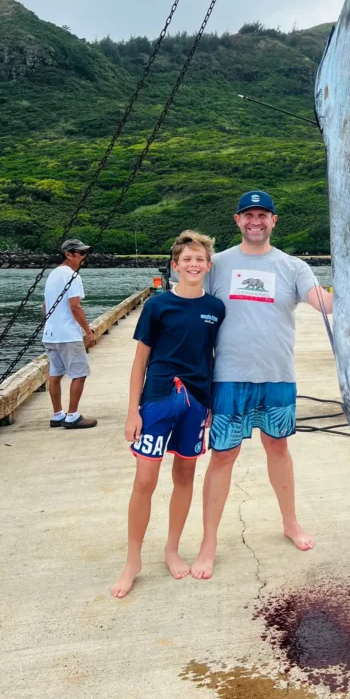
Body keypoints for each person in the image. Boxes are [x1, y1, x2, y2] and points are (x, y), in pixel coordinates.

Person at [191, 190, 333, 579]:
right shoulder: (216, 264)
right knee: (222, 456)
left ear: (274, 221)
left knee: (278, 448)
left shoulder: (292, 266)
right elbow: (185, 296)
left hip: (277, 377)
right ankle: (209, 542)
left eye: (263, 215)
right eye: (248, 215)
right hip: (228, 378)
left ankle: (290, 522)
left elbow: (322, 302)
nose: (256, 221)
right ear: (237, 220)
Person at [111, 231, 225, 598]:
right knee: (145, 480)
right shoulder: (158, 306)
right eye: (186, 260)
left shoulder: (215, 309)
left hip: (195, 402)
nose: (193, 265)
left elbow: (213, 359)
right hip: (158, 400)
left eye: (200, 260)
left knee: (185, 476)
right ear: (175, 266)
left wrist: (211, 406)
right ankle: (132, 560)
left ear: (208, 266)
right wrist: (133, 411)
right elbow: (140, 361)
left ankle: (172, 548)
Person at [42, 238, 97, 430]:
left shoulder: (52, 275)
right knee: (79, 373)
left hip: (50, 334)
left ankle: (58, 414)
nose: (84, 257)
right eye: (81, 253)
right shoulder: (73, 276)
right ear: (68, 254)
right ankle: (72, 416)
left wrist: (53, 323)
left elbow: (45, 306)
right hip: (68, 335)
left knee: (55, 374)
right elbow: (75, 306)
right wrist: (88, 332)